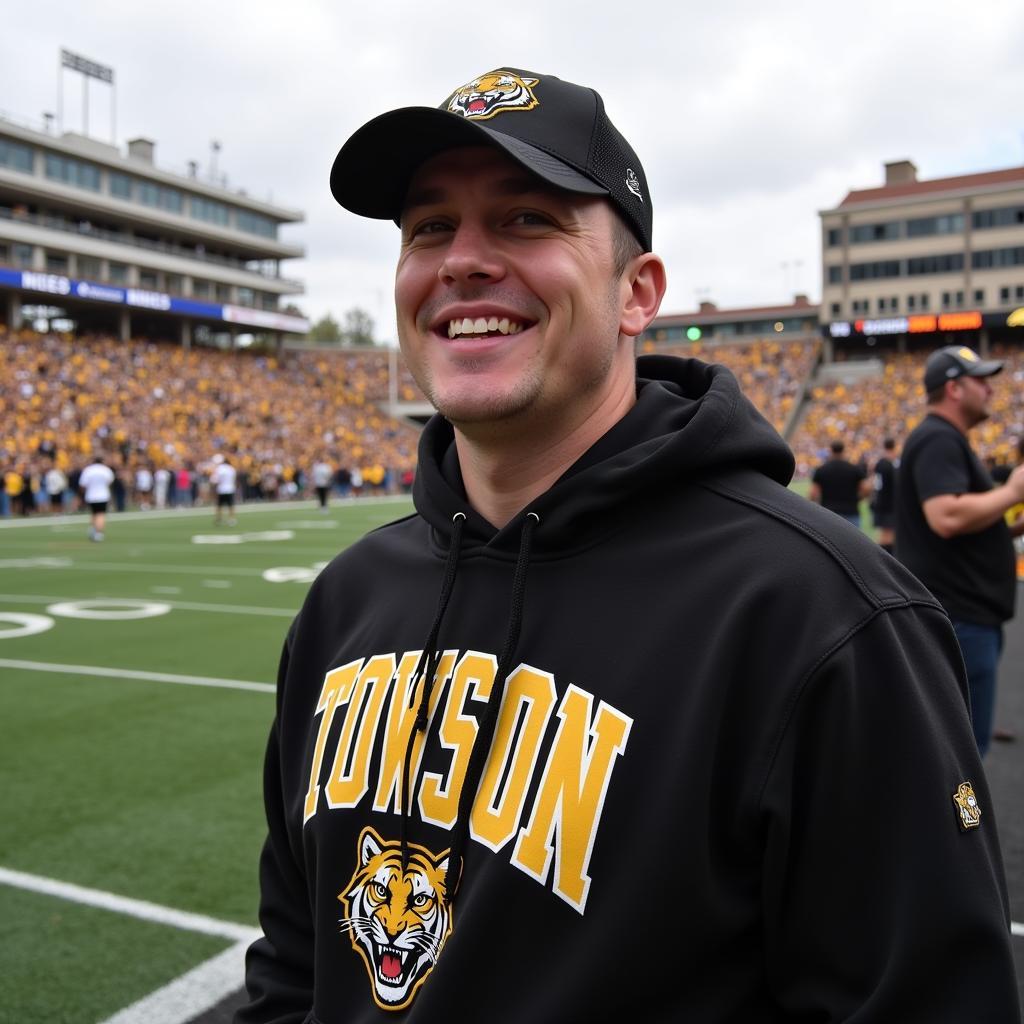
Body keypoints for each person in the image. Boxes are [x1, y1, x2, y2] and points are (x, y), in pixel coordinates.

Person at [238, 70, 1020, 1022]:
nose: (462, 261)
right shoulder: (346, 600)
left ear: (636, 293)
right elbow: (292, 962)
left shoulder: (822, 613)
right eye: (429, 228)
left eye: (527, 218)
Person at [896, 345, 1024, 757]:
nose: (989, 389)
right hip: (960, 616)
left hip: (967, 614)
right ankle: (964, 824)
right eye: (980, 380)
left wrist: (1014, 521)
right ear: (953, 388)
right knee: (963, 754)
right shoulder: (938, 437)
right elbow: (946, 516)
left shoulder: (944, 438)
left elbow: (970, 526)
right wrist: (1011, 492)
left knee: (959, 748)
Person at [808, 439, 870, 527]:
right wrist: (858, 498)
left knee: (828, 540)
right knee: (851, 540)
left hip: (828, 513)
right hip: (851, 512)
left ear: (830, 450)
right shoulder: (854, 469)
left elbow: (813, 494)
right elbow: (866, 489)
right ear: (843, 450)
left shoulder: (821, 470)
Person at [870, 436, 899, 553]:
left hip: (880, 501)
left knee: (885, 534)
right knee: (888, 536)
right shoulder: (889, 465)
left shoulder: (880, 463)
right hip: (887, 504)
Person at [78, 454, 114, 542]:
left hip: (91, 495)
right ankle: (98, 533)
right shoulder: (106, 470)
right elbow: (110, 482)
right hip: (103, 495)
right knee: (100, 514)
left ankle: (93, 529)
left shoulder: (88, 470)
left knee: (94, 513)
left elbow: (82, 484)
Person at [210, 453, 238, 526]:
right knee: (231, 504)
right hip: (230, 488)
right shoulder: (231, 468)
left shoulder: (218, 469)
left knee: (219, 505)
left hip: (221, 489)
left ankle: (219, 518)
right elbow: (234, 479)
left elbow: (214, 480)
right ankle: (232, 519)